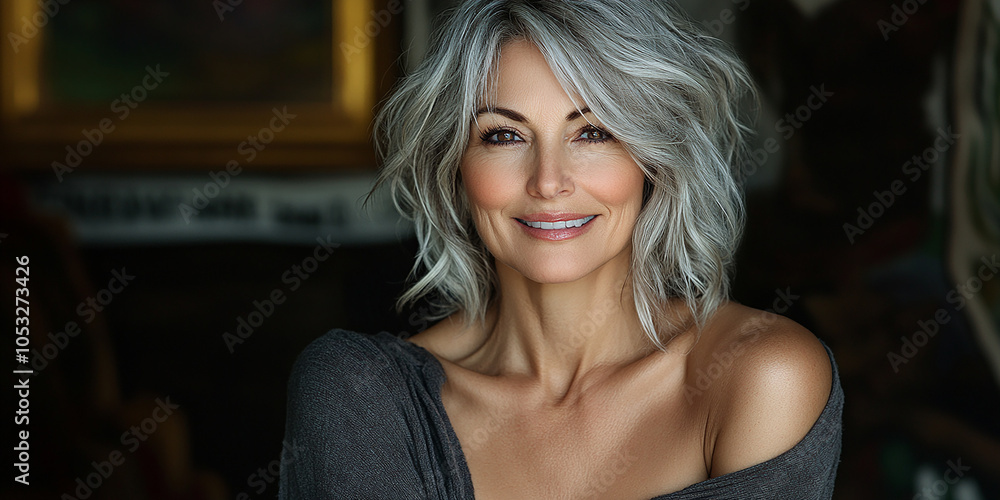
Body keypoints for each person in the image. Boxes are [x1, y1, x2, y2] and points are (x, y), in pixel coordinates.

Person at [279, 0, 843, 498]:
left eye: (593, 132)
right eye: (504, 135)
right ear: (456, 166)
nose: (548, 181)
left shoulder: (758, 376)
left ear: (652, 159)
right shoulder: (360, 395)